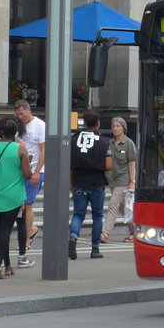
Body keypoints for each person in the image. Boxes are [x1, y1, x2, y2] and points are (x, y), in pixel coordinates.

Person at [0, 117, 32, 280]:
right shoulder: (20, 149)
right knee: (6, 229)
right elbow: (27, 175)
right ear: (15, 133)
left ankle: (8, 266)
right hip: (14, 195)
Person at [69, 110, 111, 260]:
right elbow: (108, 165)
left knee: (78, 214)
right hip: (96, 183)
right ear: (98, 124)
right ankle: (94, 248)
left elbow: (70, 165)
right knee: (97, 215)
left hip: (79, 181)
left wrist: (71, 183)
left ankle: (73, 236)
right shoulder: (104, 142)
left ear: (84, 123)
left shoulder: (74, 140)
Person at [13, 99, 46, 265]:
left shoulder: (39, 125)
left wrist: (38, 171)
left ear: (28, 110)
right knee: (21, 204)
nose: (20, 117)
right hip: (21, 169)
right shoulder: (19, 127)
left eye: (22, 114)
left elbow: (43, 149)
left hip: (34, 169)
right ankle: (30, 230)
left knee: (28, 203)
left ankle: (26, 239)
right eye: (17, 115)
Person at [103, 117, 137, 243]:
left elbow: (132, 164)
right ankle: (135, 232)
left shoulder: (129, 143)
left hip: (124, 179)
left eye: (118, 126)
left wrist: (132, 182)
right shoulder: (110, 143)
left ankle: (105, 233)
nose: (115, 129)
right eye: (113, 126)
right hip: (113, 180)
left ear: (123, 128)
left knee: (113, 204)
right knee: (124, 209)